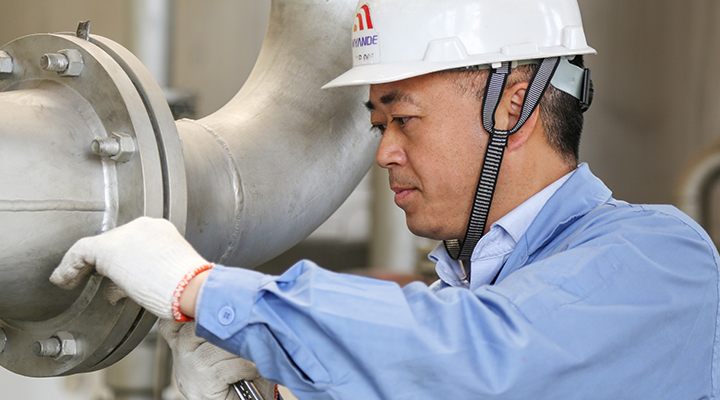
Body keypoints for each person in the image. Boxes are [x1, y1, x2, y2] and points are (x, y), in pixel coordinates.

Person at [51, 0, 720, 399]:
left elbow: (479, 358)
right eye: (379, 126)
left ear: (512, 105)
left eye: (403, 119)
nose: (385, 154)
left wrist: (202, 287)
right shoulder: (455, 305)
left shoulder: (660, 260)